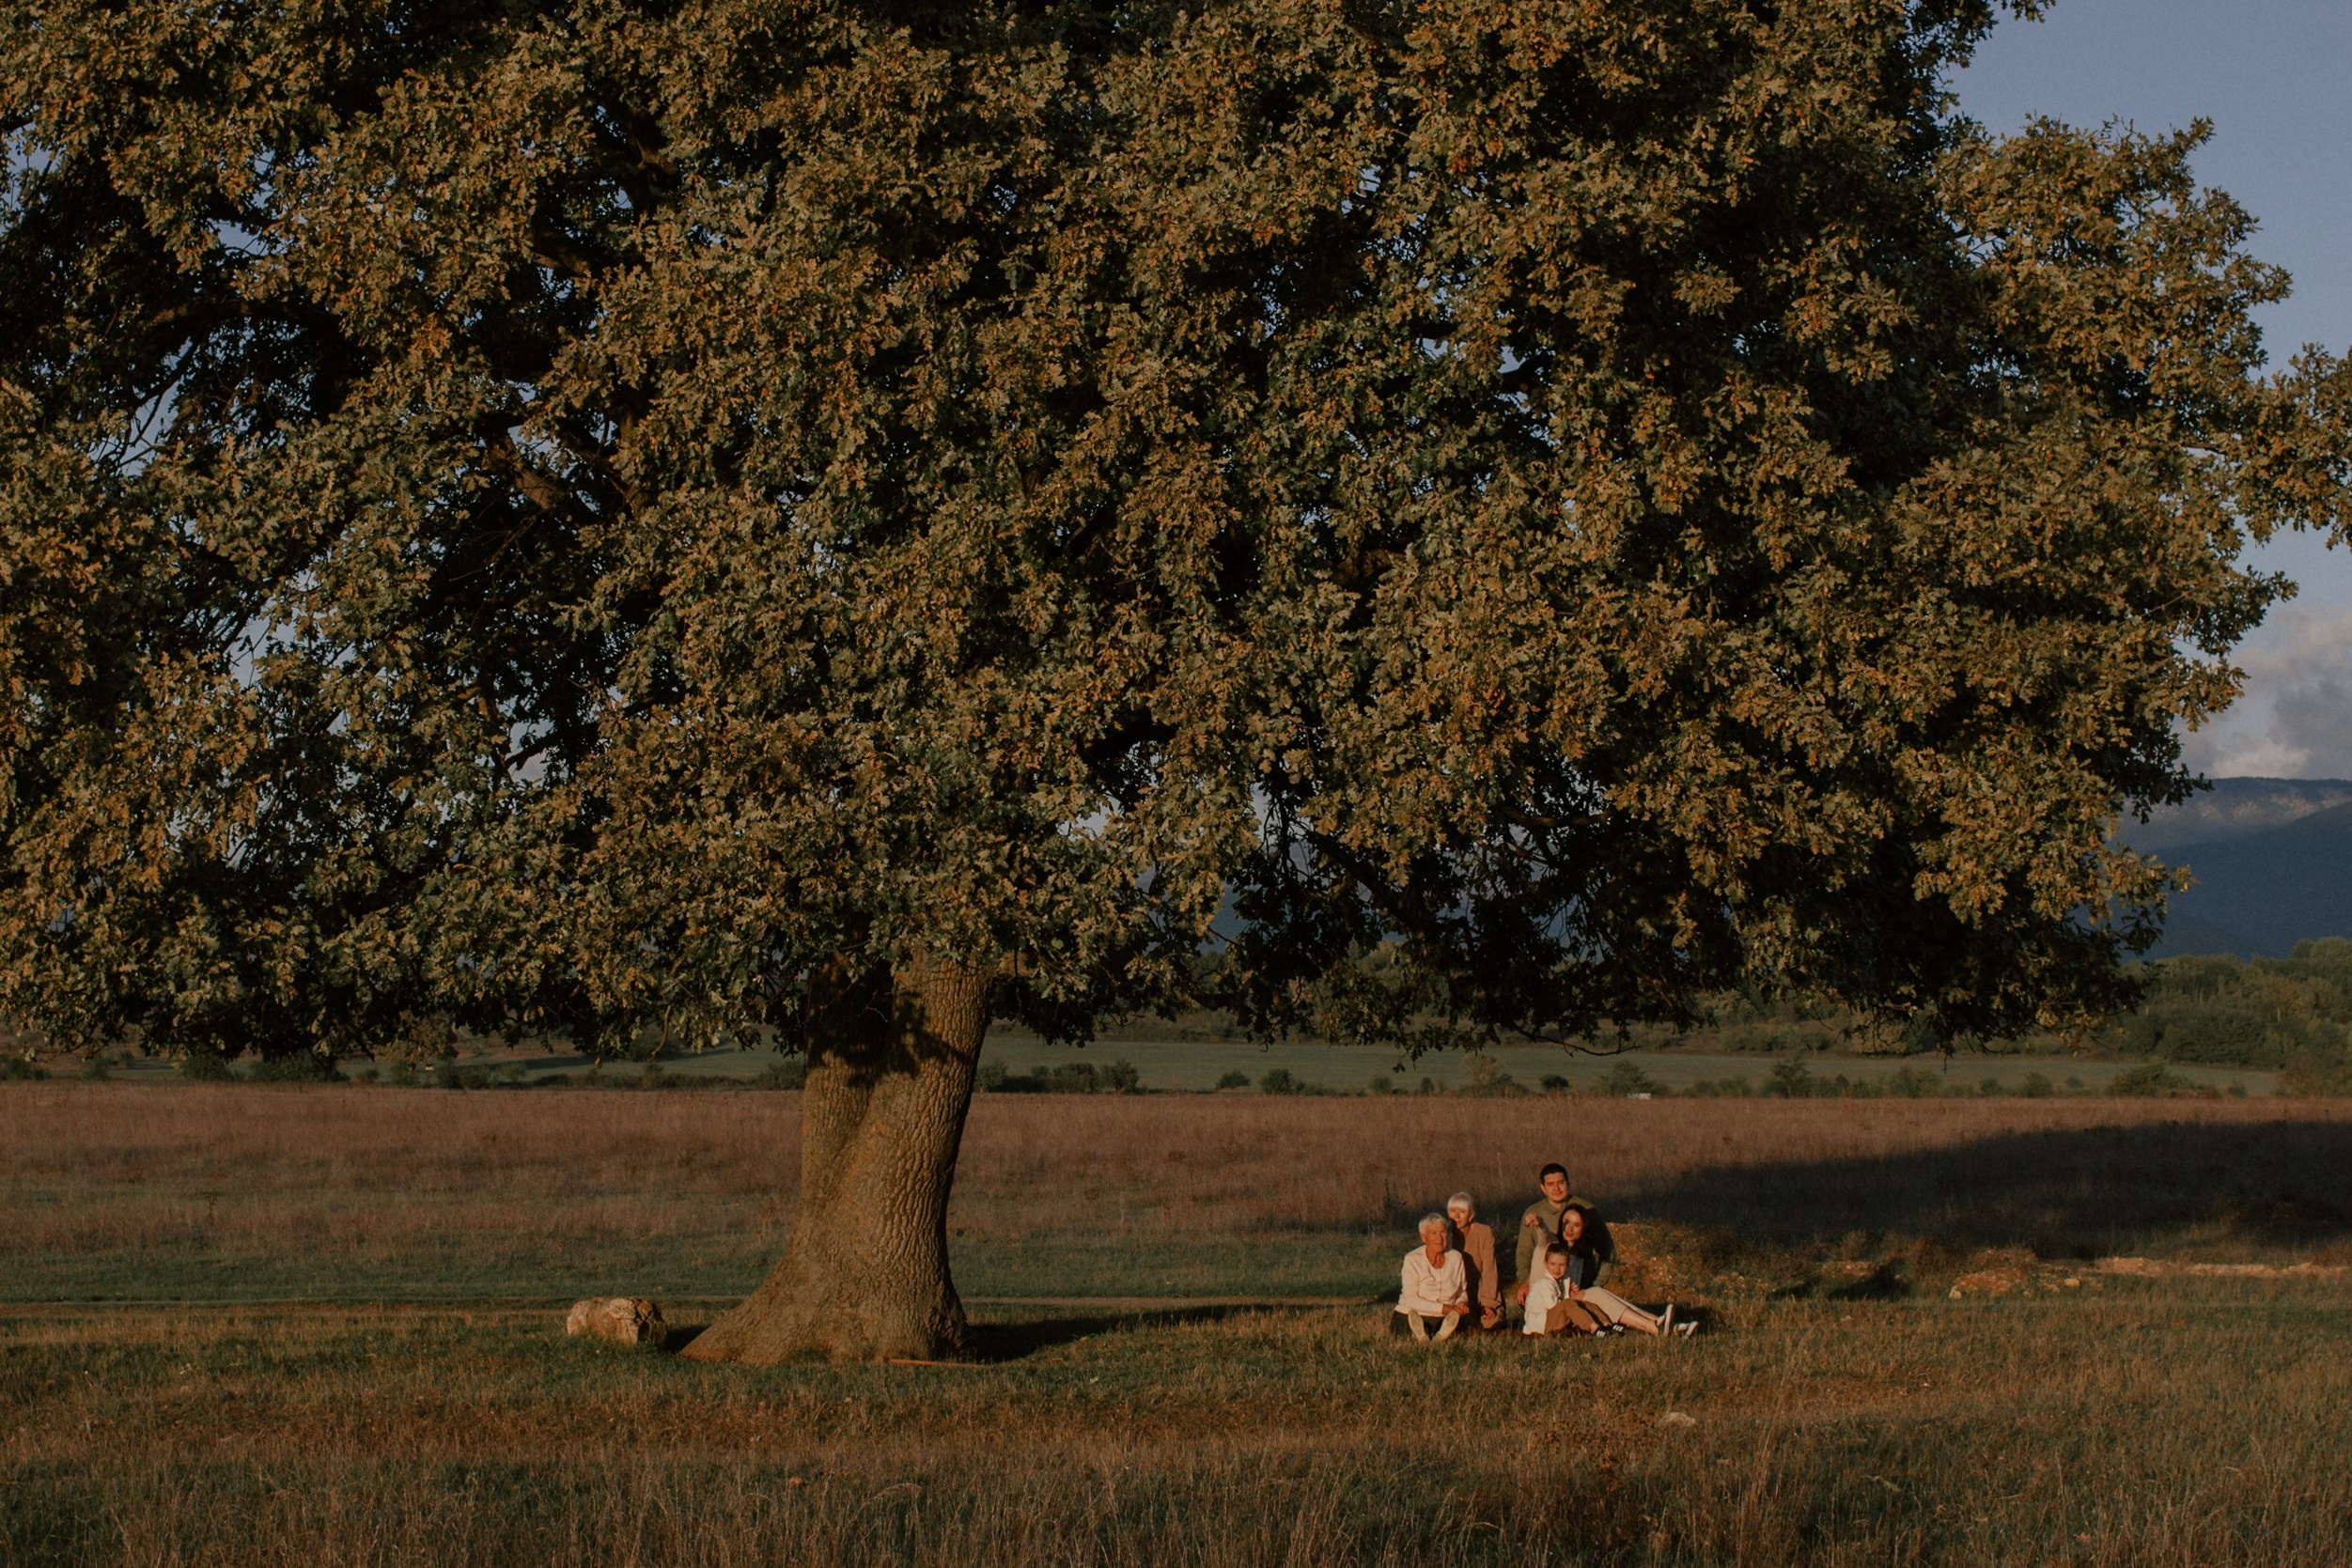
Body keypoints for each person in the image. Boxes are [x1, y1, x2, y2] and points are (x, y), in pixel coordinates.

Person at [1534, 1206, 1692, 1338]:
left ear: (1583, 1230)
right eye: (1566, 1222)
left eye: (1576, 1225)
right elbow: (1543, 1236)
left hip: (1566, 1307)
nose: (1569, 1229)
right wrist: (1539, 1223)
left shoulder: (1578, 1258)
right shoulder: (1551, 1246)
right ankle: (1654, 1327)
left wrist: (1574, 1291)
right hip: (1548, 1314)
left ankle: (1660, 1323)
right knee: (1594, 1293)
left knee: (1596, 1292)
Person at [1512, 1161, 1616, 1309]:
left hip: (1580, 1280)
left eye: (1561, 1182)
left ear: (1568, 1183)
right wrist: (1525, 1281)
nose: (1556, 1188)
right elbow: (1524, 1251)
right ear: (1543, 1188)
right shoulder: (1534, 1212)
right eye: (1550, 1184)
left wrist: (1596, 1285)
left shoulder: (1586, 1210)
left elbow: (1608, 1250)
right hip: (1545, 1282)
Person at [1392, 1213, 1470, 1341]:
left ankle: (1436, 1334)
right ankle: (1421, 1333)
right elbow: (1410, 1299)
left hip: (1445, 1316)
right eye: (1433, 1233)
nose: (1439, 1238)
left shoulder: (1456, 1258)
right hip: (1413, 1313)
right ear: (1424, 1237)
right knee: (1406, 1329)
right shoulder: (1412, 1259)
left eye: (1443, 1232)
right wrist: (1443, 1308)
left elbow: (1462, 1291)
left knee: (1456, 1330)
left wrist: (1461, 1303)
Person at [1446, 1191, 1503, 1330]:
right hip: (1456, 1290)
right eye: (1453, 1211)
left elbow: (1489, 1270)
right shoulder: (1445, 1233)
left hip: (1480, 1287)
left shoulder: (1484, 1233)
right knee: (1464, 1324)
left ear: (1471, 1215)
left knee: (1490, 1323)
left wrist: (1489, 1303)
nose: (1457, 1216)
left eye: (1462, 1212)